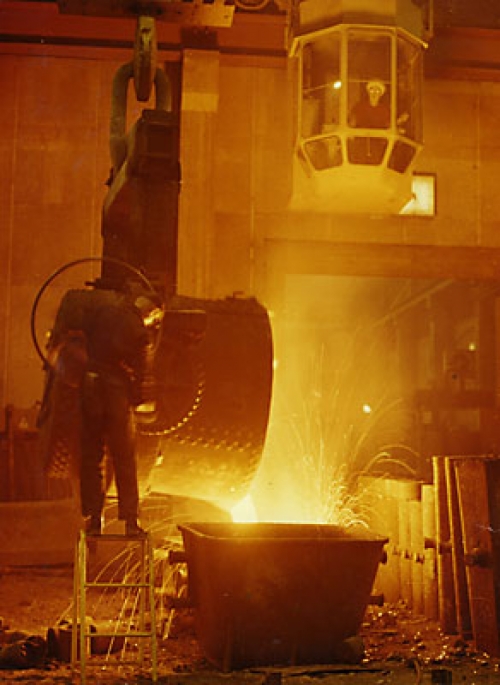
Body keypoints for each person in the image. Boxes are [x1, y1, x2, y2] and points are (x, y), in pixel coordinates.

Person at [47, 285, 163, 537]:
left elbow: (76, 337)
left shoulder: (102, 311)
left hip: (90, 386)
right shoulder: (136, 324)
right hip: (115, 391)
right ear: (150, 310)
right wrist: (140, 398)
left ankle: (93, 519)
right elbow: (143, 364)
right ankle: (130, 521)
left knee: (91, 456)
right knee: (124, 456)